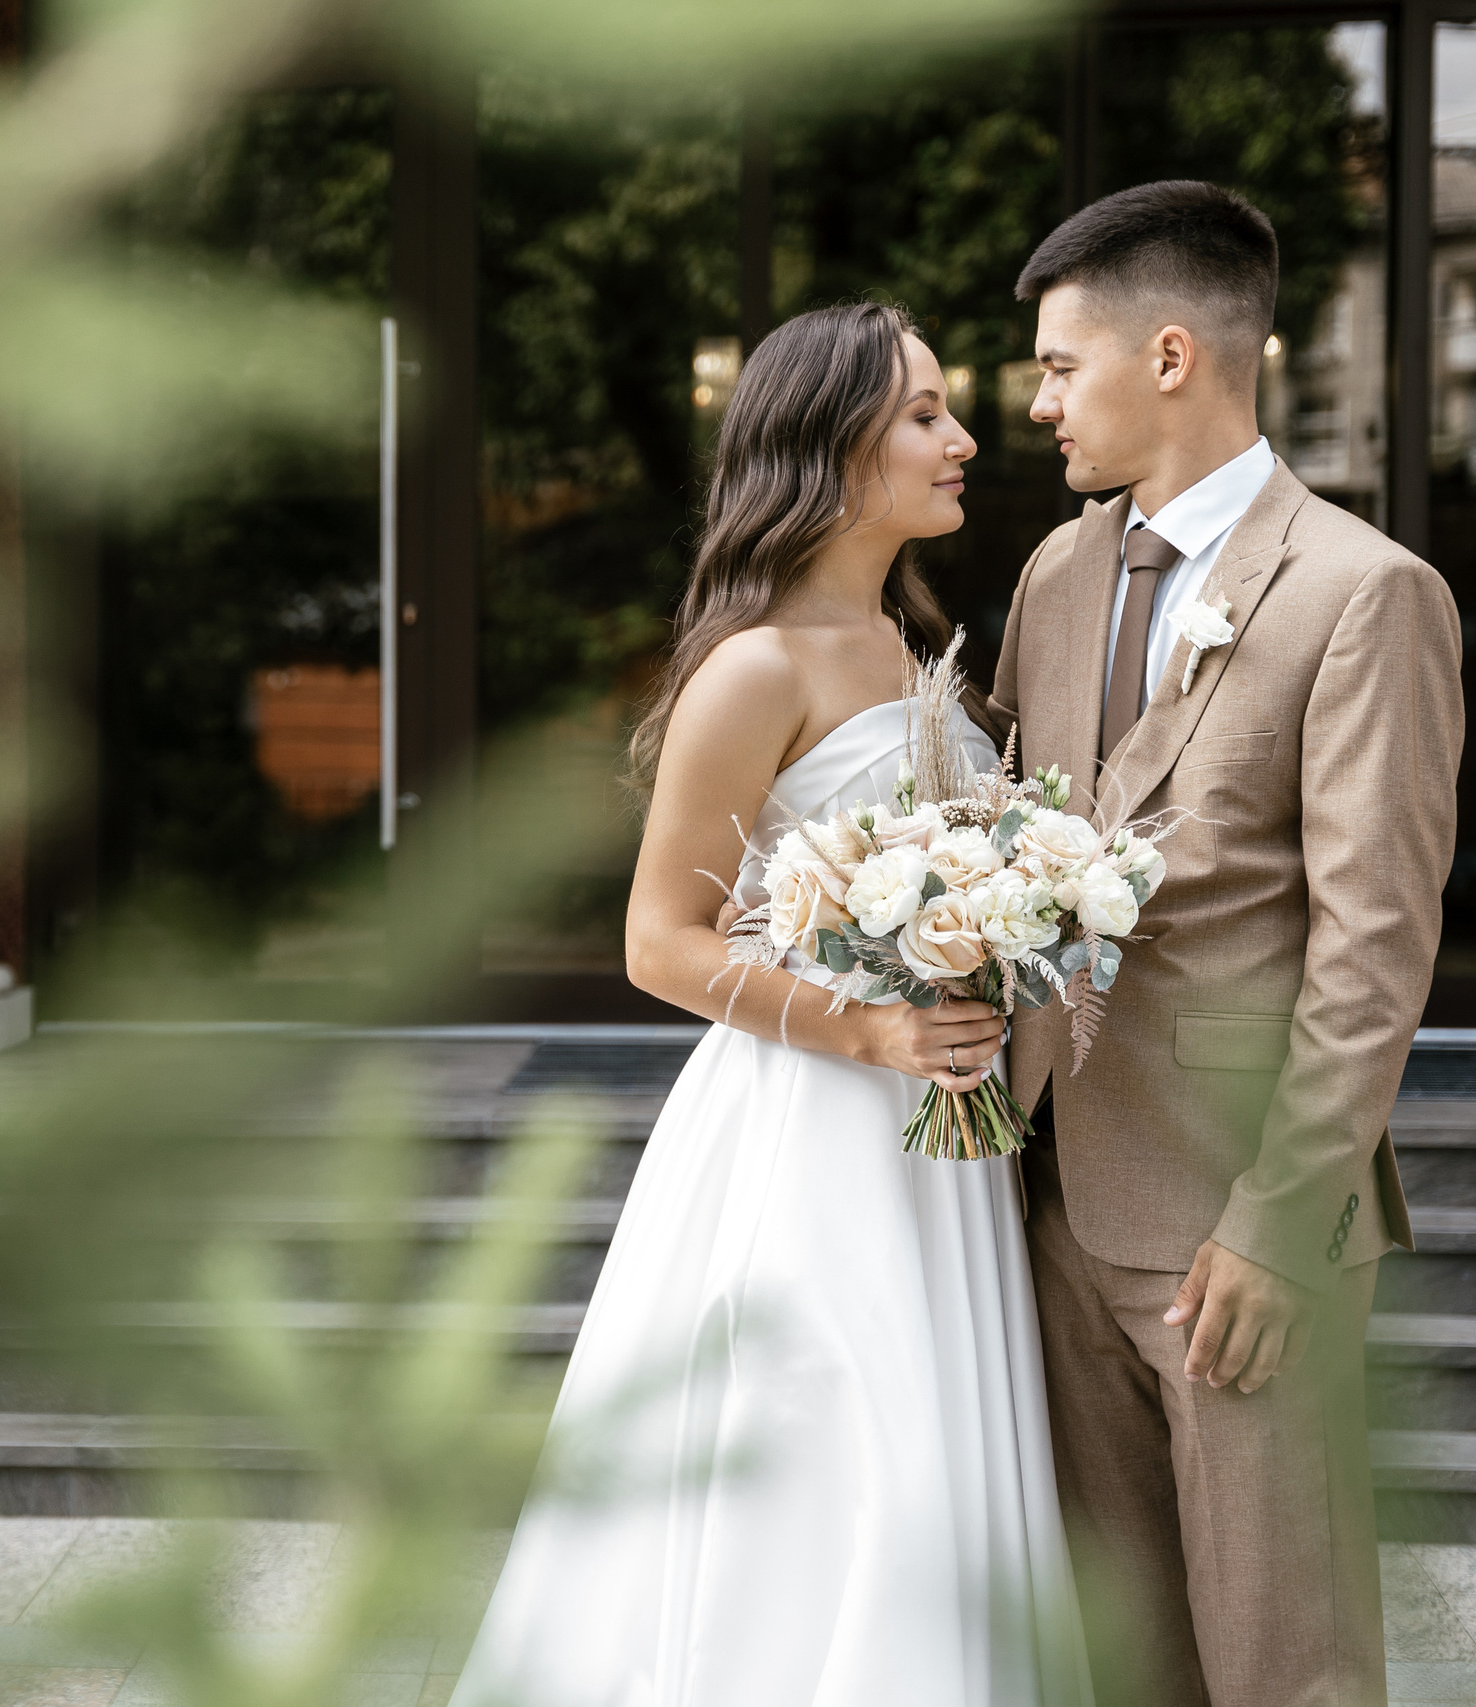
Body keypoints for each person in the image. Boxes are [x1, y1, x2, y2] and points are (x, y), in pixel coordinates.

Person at [447, 300, 1094, 1707]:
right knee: (838, 1462)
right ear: (828, 445)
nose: (963, 437)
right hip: (810, 1136)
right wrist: (868, 1028)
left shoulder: (916, 645)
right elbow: (658, 940)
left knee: (936, 1459)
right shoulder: (754, 666)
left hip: (942, 1143)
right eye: (925, 413)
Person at [990, 180, 1462, 1707]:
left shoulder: (1365, 593)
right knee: (1123, 1655)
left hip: (1240, 1224)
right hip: (1050, 1194)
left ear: (1174, 354)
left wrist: (1278, 1218)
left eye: (1063, 365)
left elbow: (1373, 949)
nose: (1042, 402)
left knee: (1285, 1657)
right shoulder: (1058, 573)